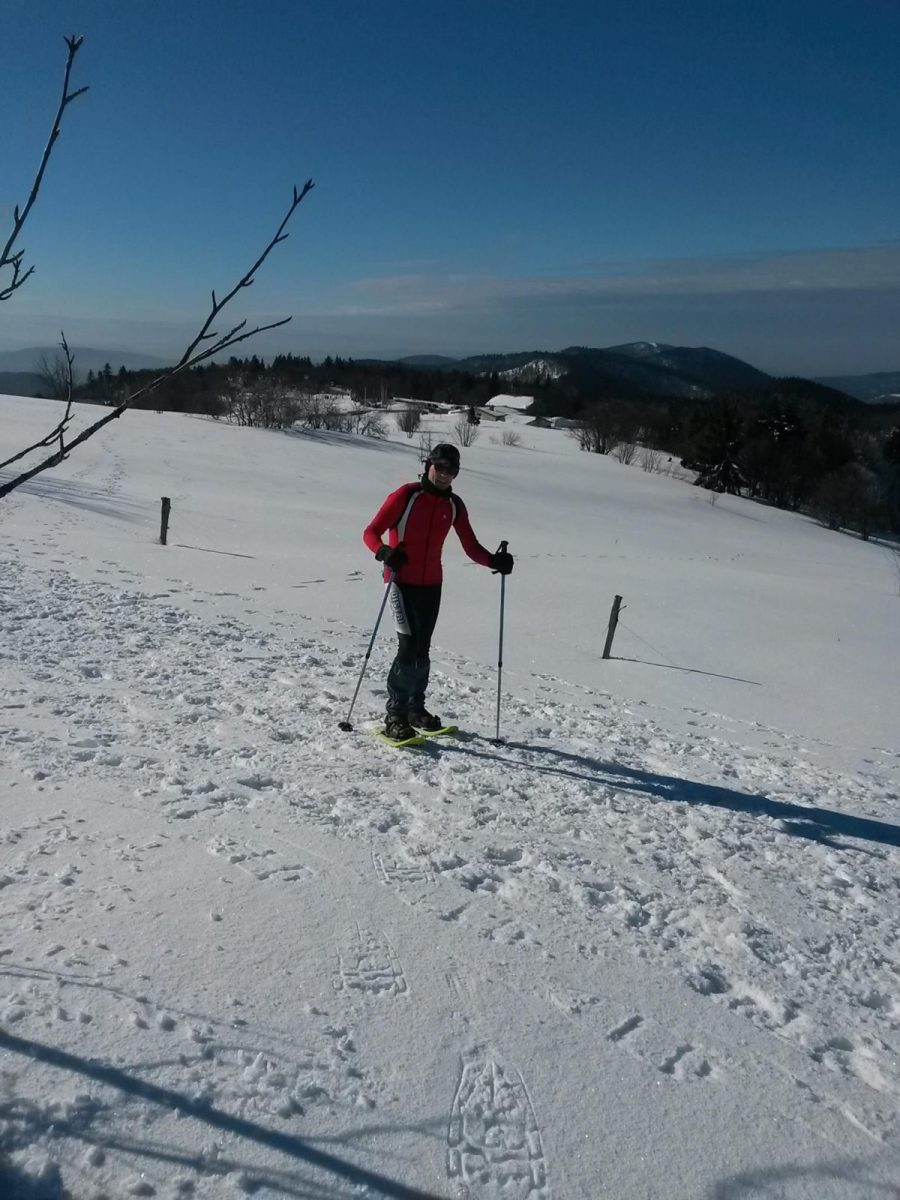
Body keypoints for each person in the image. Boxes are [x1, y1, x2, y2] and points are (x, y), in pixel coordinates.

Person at [363, 442, 513, 741]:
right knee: (407, 646)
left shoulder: (454, 505)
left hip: (432, 583)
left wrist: (495, 561)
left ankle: (416, 709)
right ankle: (395, 714)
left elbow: (471, 546)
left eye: (452, 470)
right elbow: (371, 532)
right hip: (399, 580)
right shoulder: (406, 496)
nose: (445, 475)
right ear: (428, 464)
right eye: (441, 467)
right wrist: (384, 552)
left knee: (423, 648)